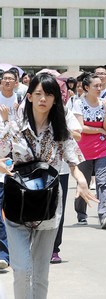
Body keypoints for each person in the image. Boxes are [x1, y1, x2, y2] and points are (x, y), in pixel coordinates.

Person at [0, 73, 97, 299]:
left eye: (49, 94)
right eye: (38, 93)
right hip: (18, 206)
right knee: (23, 269)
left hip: (48, 207)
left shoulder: (60, 130)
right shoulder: (14, 126)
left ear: (56, 99)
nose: (43, 98)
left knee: (41, 274)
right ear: (30, 97)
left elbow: (73, 161)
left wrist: (82, 183)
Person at [72, 73, 106, 229]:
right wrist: (100, 131)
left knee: (103, 183)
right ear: (86, 88)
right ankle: (81, 214)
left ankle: (104, 215)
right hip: (83, 150)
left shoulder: (105, 103)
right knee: (84, 183)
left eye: (101, 85)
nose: (99, 88)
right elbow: (80, 127)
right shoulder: (78, 103)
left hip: (102, 149)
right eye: (96, 86)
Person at [0, 70, 19, 270]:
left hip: (13, 157)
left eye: (10, 79)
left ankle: (7, 253)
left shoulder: (20, 100)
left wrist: (8, 120)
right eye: (4, 79)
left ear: (15, 83)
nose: (7, 82)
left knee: (10, 204)